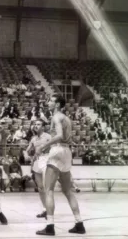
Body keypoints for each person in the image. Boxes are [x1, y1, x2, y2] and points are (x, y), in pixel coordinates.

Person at [35, 95, 85, 236]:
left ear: (57, 104)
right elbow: (65, 136)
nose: (48, 102)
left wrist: (43, 146)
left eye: (51, 100)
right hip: (67, 152)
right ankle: (79, 223)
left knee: (48, 190)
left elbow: (59, 135)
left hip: (57, 150)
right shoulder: (66, 118)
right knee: (68, 191)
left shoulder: (56, 117)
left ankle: (50, 226)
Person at [24, 119, 52, 219]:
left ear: (43, 127)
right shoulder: (33, 138)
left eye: (38, 124)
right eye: (35, 124)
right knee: (40, 188)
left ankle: (50, 211)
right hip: (37, 162)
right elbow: (27, 150)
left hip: (46, 160)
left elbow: (54, 148)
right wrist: (26, 154)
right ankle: (44, 209)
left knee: (46, 187)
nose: (36, 126)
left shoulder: (48, 137)